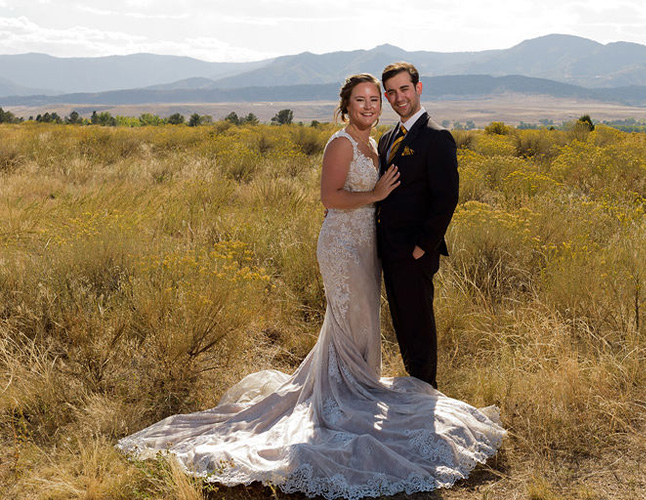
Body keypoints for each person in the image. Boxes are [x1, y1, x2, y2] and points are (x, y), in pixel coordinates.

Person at [116, 73, 504, 500]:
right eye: (365, 99)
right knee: (348, 319)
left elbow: (439, 196)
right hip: (341, 245)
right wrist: (374, 194)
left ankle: (362, 388)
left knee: (362, 323)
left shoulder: (381, 142)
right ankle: (343, 397)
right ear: (347, 105)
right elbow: (330, 198)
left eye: (379, 98)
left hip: (369, 247)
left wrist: (412, 239)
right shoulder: (341, 143)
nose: (373, 105)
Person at [376, 62, 459, 389]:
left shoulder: (437, 138)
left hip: (415, 253)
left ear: (418, 88)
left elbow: (446, 199)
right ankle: (414, 390)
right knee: (401, 323)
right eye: (392, 93)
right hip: (388, 250)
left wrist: (422, 247)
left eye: (405, 89)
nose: (399, 98)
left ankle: (426, 394)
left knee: (419, 326)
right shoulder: (386, 138)